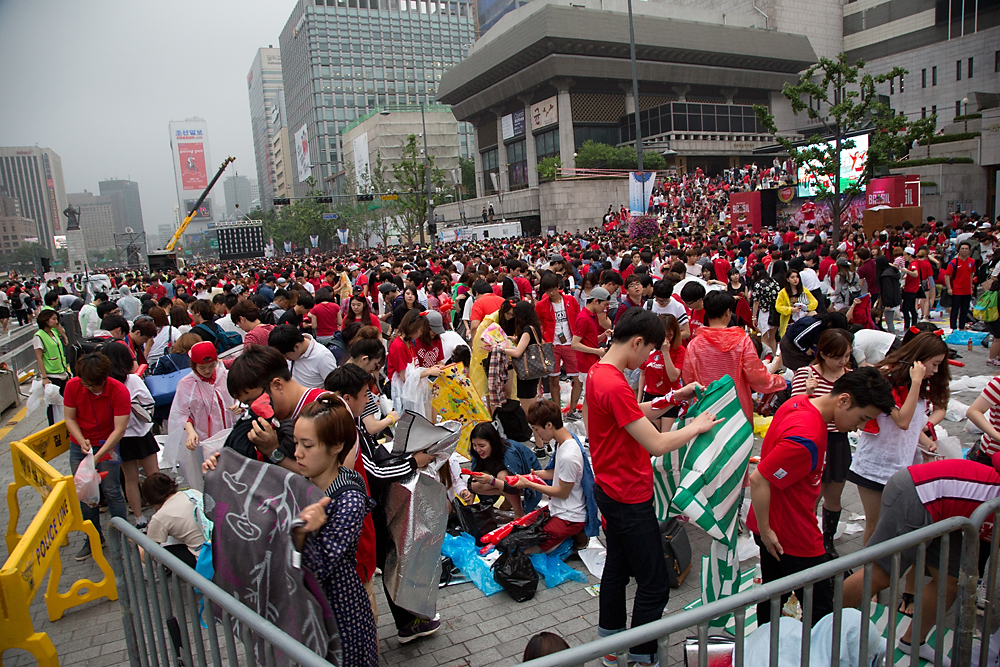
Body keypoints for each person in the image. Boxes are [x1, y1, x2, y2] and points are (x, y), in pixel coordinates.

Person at [586, 308, 720, 667]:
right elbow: (657, 444)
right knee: (654, 582)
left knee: (616, 568)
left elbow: (633, 411)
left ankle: (610, 645)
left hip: (611, 488)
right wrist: (696, 426)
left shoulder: (599, 373)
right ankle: (642, 655)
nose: (648, 359)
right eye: (649, 351)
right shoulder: (613, 382)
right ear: (637, 342)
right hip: (628, 495)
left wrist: (678, 396)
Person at [748, 368, 895, 625]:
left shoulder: (800, 401)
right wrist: (766, 528)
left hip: (776, 527)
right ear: (844, 400)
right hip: (791, 536)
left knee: (773, 595)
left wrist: (764, 528)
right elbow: (759, 479)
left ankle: (767, 646)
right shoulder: (806, 437)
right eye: (861, 419)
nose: (858, 428)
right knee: (821, 611)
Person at [843, 459, 1000, 664]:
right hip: (919, 492)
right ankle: (816, 625)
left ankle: (912, 642)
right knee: (881, 574)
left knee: (950, 582)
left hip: (944, 508)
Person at [323, 364, 437, 644]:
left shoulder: (349, 421)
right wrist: (413, 462)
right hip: (359, 511)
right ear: (347, 399)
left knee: (386, 560)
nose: (369, 399)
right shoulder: (346, 426)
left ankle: (407, 622)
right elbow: (373, 472)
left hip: (359, 507)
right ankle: (384, 633)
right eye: (364, 394)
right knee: (383, 564)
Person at [291, 396, 379, 667]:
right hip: (307, 609)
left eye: (307, 445)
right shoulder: (301, 483)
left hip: (340, 610)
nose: (297, 453)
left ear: (337, 446)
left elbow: (321, 565)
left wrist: (302, 535)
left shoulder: (350, 499)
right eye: (296, 443)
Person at [848, 332, 949, 545]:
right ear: (920, 359)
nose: (936, 370)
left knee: (898, 526)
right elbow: (902, 420)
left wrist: (924, 440)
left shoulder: (916, 385)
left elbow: (911, 423)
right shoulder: (886, 380)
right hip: (875, 467)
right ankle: (868, 573)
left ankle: (885, 572)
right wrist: (916, 382)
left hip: (904, 466)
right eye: (935, 363)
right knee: (876, 526)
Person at [789, 329, 853, 557]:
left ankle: (827, 542)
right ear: (823, 354)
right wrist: (807, 393)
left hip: (838, 441)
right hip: (814, 440)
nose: (842, 362)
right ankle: (806, 539)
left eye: (847, 356)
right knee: (811, 495)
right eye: (838, 357)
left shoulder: (849, 376)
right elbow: (794, 408)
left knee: (834, 495)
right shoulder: (807, 375)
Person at [64, 352, 130, 561]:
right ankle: (92, 538)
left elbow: (119, 430)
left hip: (107, 444)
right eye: (87, 385)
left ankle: (122, 535)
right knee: (85, 493)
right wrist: (80, 439)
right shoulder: (74, 386)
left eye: (95, 385)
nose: (92, 389)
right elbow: (69, 418)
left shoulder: (118, 391)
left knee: (111, 489)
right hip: (80, 446)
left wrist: (98, 455)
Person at [682, 291, 785, 421]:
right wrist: (780, 381)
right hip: (737, 407)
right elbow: (756, 376)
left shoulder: (695, 344)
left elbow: (688, 378)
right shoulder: (742, 341)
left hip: (706, 408)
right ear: (728, 313)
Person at [514, 400, 596, 553]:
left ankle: (572, 538)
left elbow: (562, 492)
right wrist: (534, 476)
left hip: (569, 517)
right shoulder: (563, 442)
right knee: (519, 531)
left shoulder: (568, 454)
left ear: (549, 425)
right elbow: (559, 473)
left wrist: (530, 484)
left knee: (523, 549)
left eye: (537, 429)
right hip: (558, 509)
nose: (536, 434)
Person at [103, 342, 159, 531]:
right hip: (141, 434)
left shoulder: (106, 384)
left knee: (130, 479)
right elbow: (149, 403)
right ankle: (160, 511)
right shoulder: (132, 380)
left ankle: (139, 518)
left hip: (120, 437)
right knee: (154, 475)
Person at [168, 341, 235, 468]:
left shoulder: (226, 376)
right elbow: (181, 412)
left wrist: (239, 406)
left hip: (229, 435)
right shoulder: (187, 384)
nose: (207, 371)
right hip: (203, 439)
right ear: (194, 365)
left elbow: (239, 397)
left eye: (211, 366)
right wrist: (190, 431)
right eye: (202, 367)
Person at [466, 421, 542, 517]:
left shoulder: (509, 452)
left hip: (528, 484)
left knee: (503, 477)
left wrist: (491, 481)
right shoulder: (477, 453)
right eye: (474, 445)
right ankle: (508, 498)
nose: (478, 449)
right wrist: (469, 510)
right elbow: (471, 484)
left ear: (493, 443)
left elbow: (514, 485)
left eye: (482, 446)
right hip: (502, 482)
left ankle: (518, 512)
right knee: (475, 483)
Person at [536, 273, 583, 417]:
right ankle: (557, 412)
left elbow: (578, 318)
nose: (551, 293)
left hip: (571, 343)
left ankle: (572, 409)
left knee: (577, 378)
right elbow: (537, 324)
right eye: (547, 290)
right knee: (554, 379)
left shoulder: (570, 301)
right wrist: (543, 340)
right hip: (552, 345)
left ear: (558, 287)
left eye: (553, 289)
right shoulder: (541, 305)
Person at [140, 473, 208, 568]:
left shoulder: (160, 516)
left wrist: (138, 541)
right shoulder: (192, 493)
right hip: (221, 545)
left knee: (164, 552)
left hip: (205, 557)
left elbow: (146, 557)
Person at [637, 313, 685, 431]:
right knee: (652, 434)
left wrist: (665, 352)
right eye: (663, 335)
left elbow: (674, 377)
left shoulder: (679, 351)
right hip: (651, 396)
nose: (666, 339)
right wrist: (638, 400)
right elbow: (642, 374)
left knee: (666, 435)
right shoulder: (649, 348)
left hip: (670, 397)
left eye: (669, 335)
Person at [503, 301, 545, 414]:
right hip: (533, 370)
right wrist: (516, 339)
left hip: (526, 373)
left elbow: (517, 353)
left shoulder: (526, 331)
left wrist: (500, 349)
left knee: (529, 410)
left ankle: (534, 430)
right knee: (533, 402)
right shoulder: (534, 328)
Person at [268, 324, 339, 389]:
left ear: (296, 347)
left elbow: (334, 388)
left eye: (286, 355)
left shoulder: (323, 357)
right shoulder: (291, 350)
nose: (286, 358)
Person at [33, 309, 70, 425]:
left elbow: (63, 335)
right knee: (53, 404)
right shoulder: (39, 336)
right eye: (53, 319)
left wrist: (62, 333)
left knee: (65, 401)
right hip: (51, 374)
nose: (56, 322)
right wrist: (44, 377)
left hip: (62, 371)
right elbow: (39, 358)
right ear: (45, 320)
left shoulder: (53, 332)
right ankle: (53, 425)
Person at [775, 270, 818, 337]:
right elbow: (778, 307)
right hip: (790, 320)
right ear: (788, 279)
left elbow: (814, 302)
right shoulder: (783, 293)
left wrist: (807, 307)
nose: (795, 279)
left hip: (803, 316)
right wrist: (791, 309)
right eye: (792, 277)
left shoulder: (804, 290)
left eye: (797, 277)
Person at [945, 240, 976, 331]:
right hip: (956, 290)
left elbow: (971, 274)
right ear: (959, 250)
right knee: (955, 310)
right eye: (962, 249)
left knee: (965, 310)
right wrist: (949, 288)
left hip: (967, 290)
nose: (964, 250)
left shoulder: (972, 261)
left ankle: (962, 327)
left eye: (966, 249)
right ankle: (953, 328)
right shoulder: (954, 262)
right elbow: (947, 276)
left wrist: (971, 286)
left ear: (969, 250)